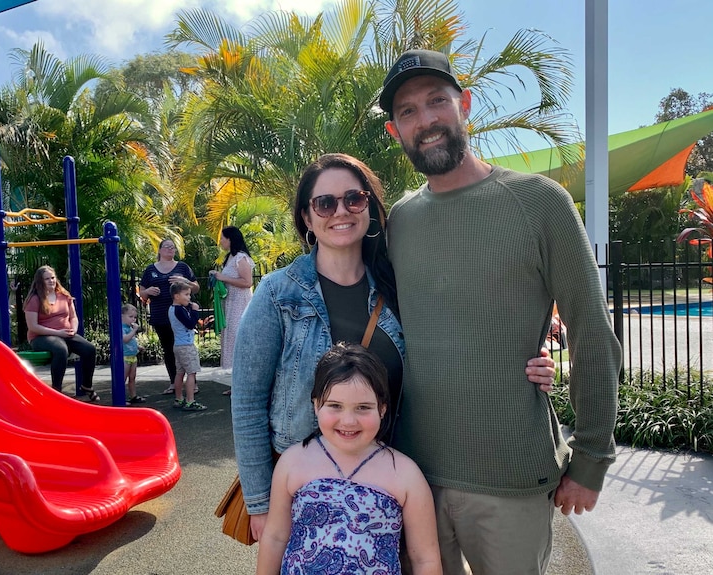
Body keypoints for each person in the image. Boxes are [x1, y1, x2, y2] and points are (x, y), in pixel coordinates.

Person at [231, 153, 556, 543]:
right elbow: (247, 403)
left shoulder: (395, 288)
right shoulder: (278, 294)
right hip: (304, 487)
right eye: (325, 202)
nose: (341, 211)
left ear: (369, 206)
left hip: (386, 488)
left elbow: (453, 342)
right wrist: (261, 504)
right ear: (306, 217)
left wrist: (525, 362)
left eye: (354, 198)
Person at [380, 49, 622, 574]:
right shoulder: (399, 221)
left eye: (436, 101)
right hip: (412, 474)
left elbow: (591, 331)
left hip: (510, 473)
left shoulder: (540, 202)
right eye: (407, 111)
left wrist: (592, 457)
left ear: (464, 105)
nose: (426, 121)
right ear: (395, 131)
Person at [257, 343, 442, 575]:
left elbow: (425, 558)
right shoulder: (293, 462)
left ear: (382, 409)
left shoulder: (404, 473)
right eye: (335, 406)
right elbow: (275, 537)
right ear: (316, 405)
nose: (348, 421)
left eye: (363, 408)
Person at [23, 265, 99, 401]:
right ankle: (56, 390)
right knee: (61, 349)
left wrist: (73, 330)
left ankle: (87, 385)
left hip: (64, 334)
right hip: (41, 336)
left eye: (52, 278)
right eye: (47, 279)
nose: (51, 281)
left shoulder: (64, 295)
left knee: (89, 349)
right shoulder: (34, 299)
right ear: (40, 281)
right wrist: (58, 333)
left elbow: (73, 317)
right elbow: (33, 326)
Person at [138, 239, 199, 395]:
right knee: (169, 349)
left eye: (173, 247)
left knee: (186, 347)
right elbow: (142, 291)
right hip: (161, 314)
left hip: (182, 314)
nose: (170, 249)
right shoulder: (150, 269)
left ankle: (193, 383)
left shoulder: (182, 267)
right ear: (159, 250)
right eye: (167, 247)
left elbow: (196, 287)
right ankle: (174, 382)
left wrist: (184, 281)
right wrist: (147, 292)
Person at [209, 225, 255, 377]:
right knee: (232, 340)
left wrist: (223, 277)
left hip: (240, 304)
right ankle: (236, 381)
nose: (220, 241)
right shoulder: (230, 257)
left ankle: (244, 380)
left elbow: (247, 282)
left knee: (239, 339)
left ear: (230, 239)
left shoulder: (241, 258)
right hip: (230, 303)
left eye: (222, 238)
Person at [168, 282, 207, 411]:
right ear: (176, 296)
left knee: (179, 373)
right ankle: (190, 401)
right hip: (186, 346)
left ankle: (179, 398)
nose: (189, 298)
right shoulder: (178, 310)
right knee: (191, 372)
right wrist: (195, 311)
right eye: (186, 294)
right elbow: (190, 324)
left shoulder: (174, 308)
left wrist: (190, 307)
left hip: (178, 345)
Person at [121, 303, 146, 405]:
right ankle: (121, 397)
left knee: (132, 377)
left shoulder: (130, 328)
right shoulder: (121, 328)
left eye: (135, 317)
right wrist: (135, 330)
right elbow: (125, 339)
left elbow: (132, 341)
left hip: (133, 356)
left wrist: (138, 347)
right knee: (123, 378)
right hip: (125, 356)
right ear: (122, 316)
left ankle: (133, 396)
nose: (133, 319)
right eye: (130, 317)